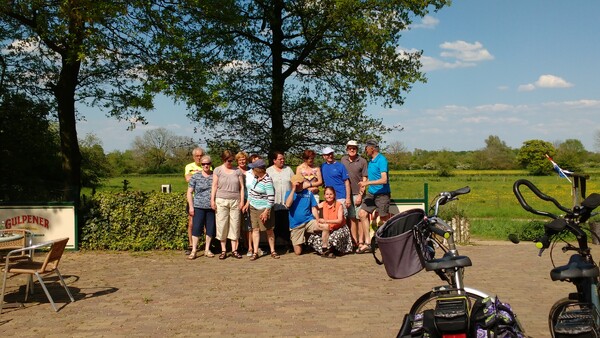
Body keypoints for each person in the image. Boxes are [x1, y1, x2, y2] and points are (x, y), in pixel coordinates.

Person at [285, 174, 333, 257]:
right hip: (296, 225)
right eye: (297, 183)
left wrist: (317, 220)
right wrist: (293, 189)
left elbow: (314, 208)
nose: (299, 185)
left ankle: (325, 249)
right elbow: (288, 205)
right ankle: (302, 241)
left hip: (308, 220)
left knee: (325, 226)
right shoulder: (289, 193)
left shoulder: (308, 193)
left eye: (301, 183)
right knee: (298, 252)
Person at [357, 139, 391, 254]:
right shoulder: (370, 161)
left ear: (372, 148)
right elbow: (370, 177)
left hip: (382, 194)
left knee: (383, 219)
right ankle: (367, 243)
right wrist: (364, 187)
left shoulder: (382, 160)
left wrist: (367, 183)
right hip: (371, 194)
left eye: (366, 147)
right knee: (362, 213)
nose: (365, 149)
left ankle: (386, 244)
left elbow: (384, 179)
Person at [211, 150, 245, 260]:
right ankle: (223, 250)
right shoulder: (218, 170)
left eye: (232, 160)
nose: (230, 163)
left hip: (235, 201)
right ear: (223, 160)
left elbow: (242, 187)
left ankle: (235, 249)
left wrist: (242, 201)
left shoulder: (237, 171)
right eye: (228, 161)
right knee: (222, 224)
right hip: (221, 200)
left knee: (235, 224)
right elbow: (214, 186)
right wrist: (212, 200)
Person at [243, 158, 279, 261]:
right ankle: (255, 252)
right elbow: (251, 192)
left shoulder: (267, 180)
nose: (252, 170)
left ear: (259, 169)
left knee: (269, 229)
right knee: (255, 229)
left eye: (253, 168)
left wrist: (266, 211)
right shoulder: (255, 178)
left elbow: (271, 198)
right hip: (254, 206)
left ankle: (272, 250)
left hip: (264, 208)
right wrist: (247, 204)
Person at [307, 186, 353, 258]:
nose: (329, 196)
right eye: (327, 194)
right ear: (324, 195)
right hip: (329, 228)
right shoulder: (323, 204)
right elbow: (314, 207)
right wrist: (317, 219)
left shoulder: (339, 205)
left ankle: (335, 249)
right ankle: (326, 250)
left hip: (339, 228)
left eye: (331, 194)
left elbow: (339, 220)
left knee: (333, 238)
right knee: (314, 237)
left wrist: (325, 221)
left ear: (334, 195)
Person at [186, 155, 216, 260]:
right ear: (201, 165)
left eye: (208, 164)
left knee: (210, 228)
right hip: (198, 205)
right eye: (203, 164)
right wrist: (191, 206)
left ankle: (207, 249)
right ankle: (194, 249)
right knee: (196, 228)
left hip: (211, 206)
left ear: (210, 164)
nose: (206, 166)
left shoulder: (214, 176)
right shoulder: (195, 176)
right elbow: (189, 192)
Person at [340, 140, 368, 248]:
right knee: (351, 218)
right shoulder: (343, 160)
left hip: (358, 194)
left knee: (360, 218)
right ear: (347, 149)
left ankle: (361, 241)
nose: (352, 150)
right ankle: (354, 241)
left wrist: (361, 195)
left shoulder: (363, 161)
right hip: (347, 194)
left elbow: (365, 179)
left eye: (354, 148)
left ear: (357, 149)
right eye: (350, 148)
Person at [266, 151, 294, 250]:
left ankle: (287, 243)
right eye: (280, 159)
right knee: (275, 224)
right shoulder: (268, 171)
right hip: (275, 202)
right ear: (274, 160)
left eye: (283, 158)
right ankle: (274, 245)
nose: (282, 160)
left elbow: (294, 183)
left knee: (286, 224)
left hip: (287, 202)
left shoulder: (288, 170)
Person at [184, 147, 205, 255]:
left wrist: (195, 176)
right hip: (193, 198)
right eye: (197, 156)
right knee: (191, 223)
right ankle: (191, 244)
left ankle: (207, 245)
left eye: (201, 155)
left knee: (206, 224)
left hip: (205, 198)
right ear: (193, 157)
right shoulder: (189, 166)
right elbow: (188, 179)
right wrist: (202, 175)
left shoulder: (208, 164)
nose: (199, 158)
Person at [320, 146, 351, 215]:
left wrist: (348, 198)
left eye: (331, 153)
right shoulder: (322, 167)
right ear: (324, 156)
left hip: (340, 196)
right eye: (328, 154)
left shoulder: (340, 166)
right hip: (329, 198)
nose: (330, 156)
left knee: (341, 218)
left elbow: (347, 182)